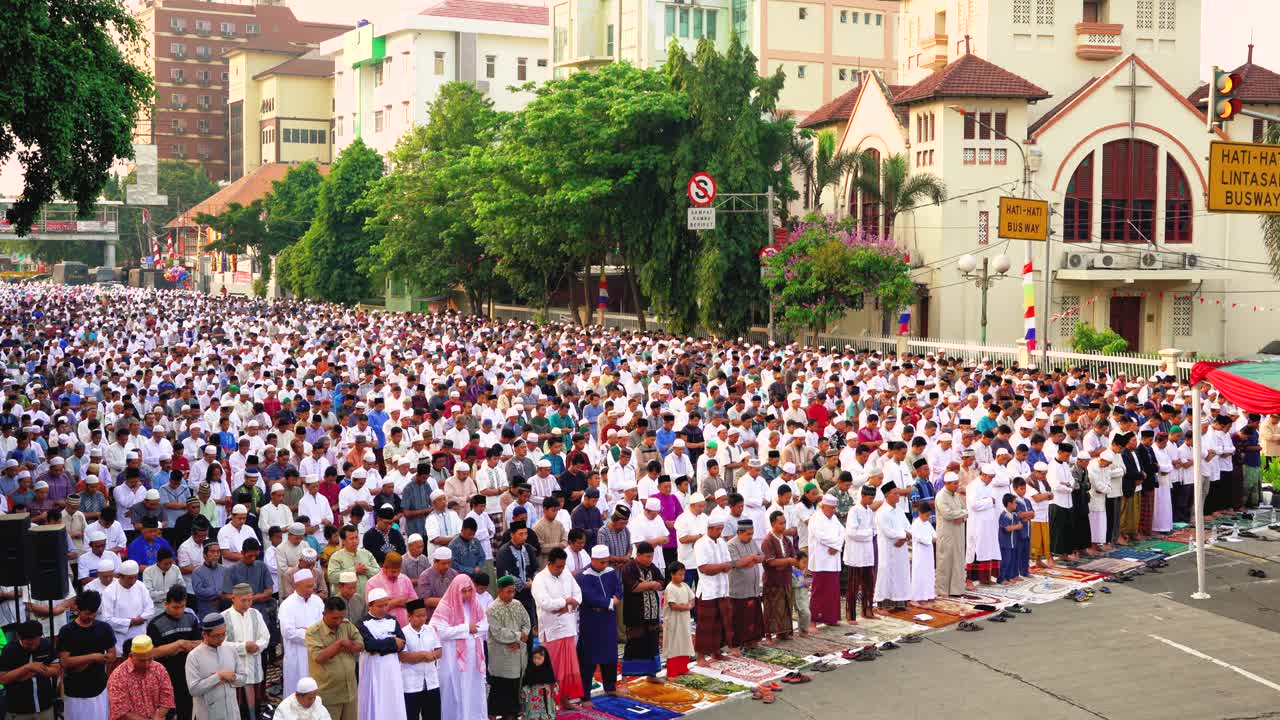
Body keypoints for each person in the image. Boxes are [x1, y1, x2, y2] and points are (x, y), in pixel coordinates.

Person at [429, 574, 489, 720]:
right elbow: (439, 631)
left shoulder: (475, 604)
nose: (467, 594)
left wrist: (470, 631)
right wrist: (466, 629)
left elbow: (484, 625)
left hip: (473, 659)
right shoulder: (445, 606)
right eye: (464, 591)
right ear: (456, 590)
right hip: (452, 659)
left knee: (473, 690)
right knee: (454, 691)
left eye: (469, 590)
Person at [531, 547, 583, 707]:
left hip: (568, 627)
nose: (561, 569)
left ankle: (564, 699)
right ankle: (548, 702)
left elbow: (578, 594)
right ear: (549, 563)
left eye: (563, 566)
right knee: (551, 668)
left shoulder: (565, 573)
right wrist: (566, 601)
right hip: (551, 631)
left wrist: (569, 605)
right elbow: (545, 603)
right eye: (558, 566)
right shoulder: (540, 579)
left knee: (568, 669)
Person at [58, 591, 117, 720]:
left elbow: (112, 655)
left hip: (98, 688)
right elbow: (65, 661)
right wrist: (93, 657)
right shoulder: (67, 631)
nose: (91, 616)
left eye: (94, 612)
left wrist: (105, 658)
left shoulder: (104, 628)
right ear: (78, 609)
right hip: (75, 691)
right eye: (87, 613)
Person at [146, 585, 202, 720]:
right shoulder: (155, 624)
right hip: (166, 675)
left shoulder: (191, 619)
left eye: (182, 606)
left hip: (189, 673)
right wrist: (179, 644)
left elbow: (199, 643)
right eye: (175, 607)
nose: (179, 610)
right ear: (166, 604)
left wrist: (174, 648)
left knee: (188, 711)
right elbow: (153, 652)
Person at [305, 598, 363, 720]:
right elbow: (319, 657)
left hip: (350, 692)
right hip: (329, 694)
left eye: (342, 617)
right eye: (335, 618)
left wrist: (342, 646)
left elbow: (360, 646)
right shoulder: (313, 632)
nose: (339, 621)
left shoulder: (346, 625)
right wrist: (339, 644)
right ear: (324, 614)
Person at [576, 545, 621, 701]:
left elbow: (618, 589)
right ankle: (585, 695)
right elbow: (589, 597)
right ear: (593, 559)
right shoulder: (583, 576)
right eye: (602, 562)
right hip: (591, 621)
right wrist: (610, 602)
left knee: (610, 654)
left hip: (608, 619)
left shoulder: (610, 572)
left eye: (606, 561)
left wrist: (617, 598)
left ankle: (610, 687)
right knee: (589, 658)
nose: (605, 565)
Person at [357, 588, 407, 720]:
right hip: (373, 668)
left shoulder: (392, 620)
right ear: (370, 606)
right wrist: (392, 642)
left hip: (392, 668)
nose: (384, 609)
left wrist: (381, 646)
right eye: (380, 606)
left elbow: (402, 642)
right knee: (376, 699)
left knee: (393, 698)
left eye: (386, 605)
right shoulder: (362, 623)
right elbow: (370, 645)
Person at [222, 582, 270, 716]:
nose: (247, 604)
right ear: (233, 598)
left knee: (255, 706)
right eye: (243, 600)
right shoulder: (224, 617)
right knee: (238, 708)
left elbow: (265, 637)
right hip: (234, 671)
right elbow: (221, 644)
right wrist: (243, 647)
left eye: (250, 600)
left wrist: (257, 646)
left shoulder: (255, 614)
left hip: (254, 667)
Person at [486, 575, 531, 719]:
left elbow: (527, 622)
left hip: (517, 653)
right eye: (508, 592)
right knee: (500, 687)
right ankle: (492, 715)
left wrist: (524, 634)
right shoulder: (492, 609)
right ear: (499, 591)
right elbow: (498, 632)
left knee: (514, 686)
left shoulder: (517, 604)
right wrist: (518, 636)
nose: (512, 595)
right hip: (502, 655)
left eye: (513, 591)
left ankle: (510, 714)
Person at [184, 612, 243, 720]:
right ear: (204, 634)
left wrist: (233, 677)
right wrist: (218, 677)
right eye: (216, 636)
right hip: (207, 714)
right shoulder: (194, 656)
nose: (221, 639)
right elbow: (194, 690)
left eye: (223, 634)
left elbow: (243, 678)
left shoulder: (230, 649)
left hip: (232, 713)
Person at [693, 517, 734, 666]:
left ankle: (716, 652)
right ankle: (700, 657)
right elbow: (704, 568)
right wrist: (722, 567)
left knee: (721, 622)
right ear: (709, 528)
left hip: (722, 589)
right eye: (718, 529)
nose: (720, 532)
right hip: (708, 591)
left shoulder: (722, 542)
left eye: (721, 529)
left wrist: (722, 567)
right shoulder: (700, 544)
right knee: (705, 626)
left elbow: (729, 563)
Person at [279, 569, 325, 699]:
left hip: (316, 651)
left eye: (312, 586)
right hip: (296, 654)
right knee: (295, 689)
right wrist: (311, 633)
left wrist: (303, 630)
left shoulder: (317, 601)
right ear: (296, 586)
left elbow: (324, 625)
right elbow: (288, 632)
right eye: (308, 586)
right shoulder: (287, 605)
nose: (311, 589)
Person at [621, 541, 664, 678]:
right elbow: (633, 587)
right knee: (634, 645)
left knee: (652, 645)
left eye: (651, 556)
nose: (650, 559)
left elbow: (662, 582)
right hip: (635, 614)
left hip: (652, 614)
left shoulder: (652, 567)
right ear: (638, 555)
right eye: (647, 556)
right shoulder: (629, 568)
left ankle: (652, 675)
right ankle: (627, 677)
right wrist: (651, 584)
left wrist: (649, 584)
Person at [107, 634, 176, 720]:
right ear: (131, 656)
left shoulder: (159, 669)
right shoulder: (118, 677)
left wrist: (159, 716)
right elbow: (121, 711)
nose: (147, 664)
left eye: (150, 659)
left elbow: (167, 697)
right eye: (142, 661)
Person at [0, 620, 59, 720]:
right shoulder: (9, 650)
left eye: (36, 643)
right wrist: (28, 667)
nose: (33, 647)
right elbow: (3, 679)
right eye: (28, 644)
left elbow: (57, 669)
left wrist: (33, 671)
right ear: (19, 638)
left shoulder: (47, 645)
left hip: (45, 706)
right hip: (18, 710)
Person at [725, 519, 764, 653]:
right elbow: (737, 563)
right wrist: (752, 558)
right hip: (738, 590)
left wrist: (752, 559)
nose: (751, 537)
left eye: (752, 534)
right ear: (739, 532)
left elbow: (762, 556)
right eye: (748, 534)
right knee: (738, 619)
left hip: (753, 588)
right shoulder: (731, 544)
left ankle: (752, 642)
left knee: (753, 617)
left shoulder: (752, 542)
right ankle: (735, 646)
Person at [401, 598, 443, 720]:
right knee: (411, 716)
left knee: (433, 716)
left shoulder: (430, 630)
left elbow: (439, 651)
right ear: (409, 616)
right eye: (418, 616)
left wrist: (431, 656)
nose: (422, 619)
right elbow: (403, 656)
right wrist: (424, 655)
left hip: (431, 682)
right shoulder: (403, 632)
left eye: (424, 615)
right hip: (411, 683)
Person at [806, 495, 844, 626]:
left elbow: (843, 533)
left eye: (834, 508)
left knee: (832, 591)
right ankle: (813, 621)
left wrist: (836, 546)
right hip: (820, 560)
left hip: (833, 560)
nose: (834, 510)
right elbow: (821, 537)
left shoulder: (834, 518)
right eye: (831, 508)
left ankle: (830, 618)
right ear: (823, 506)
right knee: (819, 590)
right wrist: (836, 544)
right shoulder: (815, 518)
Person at [102, 559, 154, 653]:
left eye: (135, 577)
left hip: (141, 636)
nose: (133, 580)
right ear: (120, 576)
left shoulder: (140, 586)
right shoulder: (109, 591)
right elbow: (107, 619)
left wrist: (142, 618)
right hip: (120, 640)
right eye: (130, 578)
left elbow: (150, 608)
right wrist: (130, 622)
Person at [873, 484, 911, 610]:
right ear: (886, 495)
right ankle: (883, 605)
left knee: (901, 573)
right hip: (888, 548)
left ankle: (900, 603)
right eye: (895, 493)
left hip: (901, 547)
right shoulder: (881, 512)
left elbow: (908, 526)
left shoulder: (899, 510)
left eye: (898, 493)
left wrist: (905, 537)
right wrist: (903, 535)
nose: (898, 496)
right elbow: (887, 531)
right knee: (886, 574)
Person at [843, 485, 877, 622]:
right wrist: (868, 533)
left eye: (873, 498)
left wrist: (869, 533)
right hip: (855, 553)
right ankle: (850, 615)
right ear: (862, 496)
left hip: (867, 552)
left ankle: (867, 611)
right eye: (869, 498)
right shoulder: (854, 511)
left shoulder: (870, 511)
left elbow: (874, 529)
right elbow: (852, 532)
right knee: (854, 585)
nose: (871, 500)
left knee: (869, 583)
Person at [933, 472, 970, 596]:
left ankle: (956, 590)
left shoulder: (957, 496)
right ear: (947, 483)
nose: (957, 486)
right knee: (945, 560)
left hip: (958, 533)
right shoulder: (941, 496)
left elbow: (966, 510)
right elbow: (947, 514)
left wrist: (961, 516)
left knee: (958, 560)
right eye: (954, 484)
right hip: (947, 533)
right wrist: (961, 514)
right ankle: (943, 590)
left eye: (957, 483)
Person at [365, 551, 416, 626]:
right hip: (382, 628)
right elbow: (372, 610)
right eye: (393, 571)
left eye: (398, 571)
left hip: (406, 627)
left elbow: (417, 605)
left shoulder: (405, 579)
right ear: (385, 567)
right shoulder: (372, 583)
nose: (396, 574)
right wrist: (398, 601)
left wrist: (389, 602)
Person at [663, 562, 695, 677]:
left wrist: (690, 605)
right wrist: (687, 607)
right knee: (674, 645)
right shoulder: (670, 588)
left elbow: (692, 598)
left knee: (685, 643)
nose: (682, 577)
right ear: (672, 574)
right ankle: (672, 672)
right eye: (680, 574)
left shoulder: (685, 586)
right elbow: (673, 605)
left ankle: (683, 668)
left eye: (683, 574)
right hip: (674, 622)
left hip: (684, 621)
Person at [521, 646, 559, 720]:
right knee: (532, 711)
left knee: (545, 711)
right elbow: (526, 682)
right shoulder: (530, 669)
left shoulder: (548, 670)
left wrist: (553, 689)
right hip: (532, 697)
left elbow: (553, 682)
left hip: (545, 697)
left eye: (539, 658)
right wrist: (524, 691)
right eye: (534, 658)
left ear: (545, 658)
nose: (536, 660)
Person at [910, 502, 937, 602]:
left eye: (929, 515)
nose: (928, 517)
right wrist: (930, 539)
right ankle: (918, 596)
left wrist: (934, 538)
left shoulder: (928, 523)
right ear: (920, 513)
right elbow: (918, 538)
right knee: (920, 573)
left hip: (928, 552)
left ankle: (929, 594)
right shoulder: (915, 524)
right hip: (920, 552)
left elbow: (934, 534)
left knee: (929, 572)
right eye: (926, 515)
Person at [998, 493, 1023, 584]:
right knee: (1005, 561)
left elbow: (1020, 525)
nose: (1016, 504)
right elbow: (1007, 528)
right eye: (1015, 503)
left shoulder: (1014, 515)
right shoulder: (1003, 515)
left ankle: (1009, 577)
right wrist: (1016, 526)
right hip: (1005, 543)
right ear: (1009, 504)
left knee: (1011, 561)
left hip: (1013, 543)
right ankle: (1001, 578)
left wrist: (1016, 526)